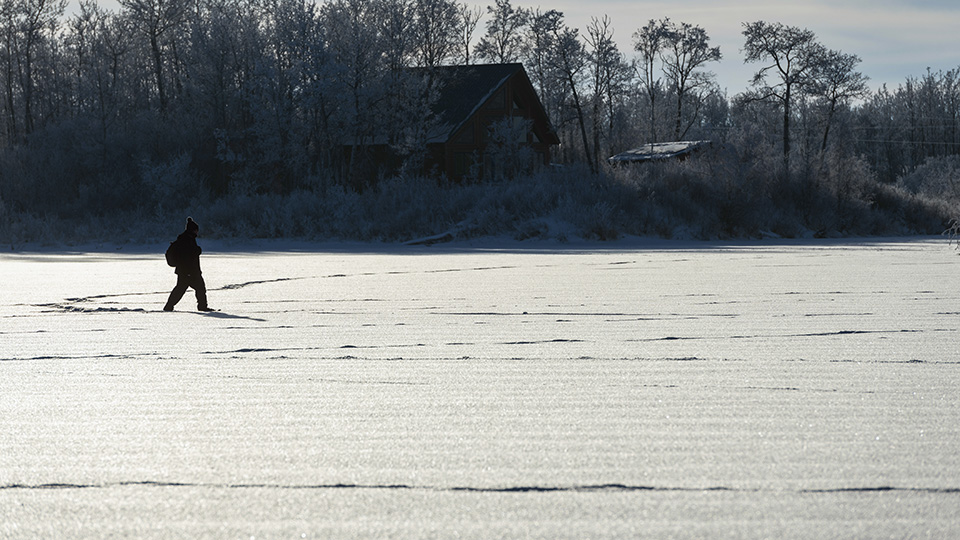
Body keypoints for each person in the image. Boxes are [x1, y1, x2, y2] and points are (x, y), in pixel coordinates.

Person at [164, 217, 214, 312]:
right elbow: (188, 255)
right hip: (188, 271)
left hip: (186, 271)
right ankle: (202, 307)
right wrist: (198, 250)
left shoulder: (186, 238)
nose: (197, 232)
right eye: (196, 230)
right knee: (192, 288)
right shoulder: (187, 240)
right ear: (193, 230)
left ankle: (169, 306)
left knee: (185, 288)